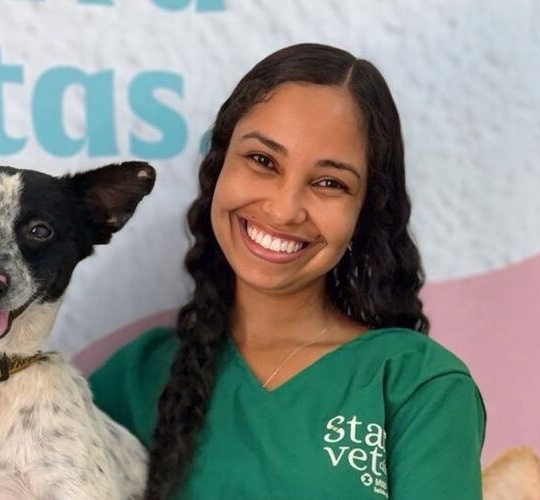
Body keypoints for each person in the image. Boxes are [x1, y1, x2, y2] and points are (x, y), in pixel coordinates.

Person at [88, 43, 486, 500]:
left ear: (365, 211)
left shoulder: (417, 386)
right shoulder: (137, 376)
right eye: (263, 161)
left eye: (329, 183)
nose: (284, 208)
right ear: (219, 166)